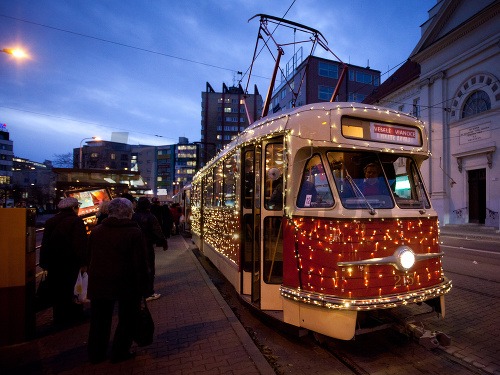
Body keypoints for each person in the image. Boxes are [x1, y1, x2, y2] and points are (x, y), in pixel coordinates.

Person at [87, 198, 149, 364]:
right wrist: (145, 286)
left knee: (99, 320)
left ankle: (96, 353)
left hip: (99, 281)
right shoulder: (134, 232)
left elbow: (89, 256)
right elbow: (141, 263)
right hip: (126, 283)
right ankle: (120, 351)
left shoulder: (97, 230)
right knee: (127, 318)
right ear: (129, 213)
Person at [39, 196, 88, 326]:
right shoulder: (76, 221)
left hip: (54, 263)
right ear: (73, 208)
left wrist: (44, 263)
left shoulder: (51, 221)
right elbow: (80, 244)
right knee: (73, 290)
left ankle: (59, 317)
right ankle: (72, 317)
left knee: (57, 291)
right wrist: (83, 263)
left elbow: (45, 244)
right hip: (70, 263)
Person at [132, 197, 168, 301]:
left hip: (135, 246)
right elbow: (157, 230)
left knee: (138, 268)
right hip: (147, 245)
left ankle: (141, 291)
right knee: (149, 269)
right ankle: (149, 292)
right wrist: (163, 242)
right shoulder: (150, 217)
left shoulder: (133, 216)